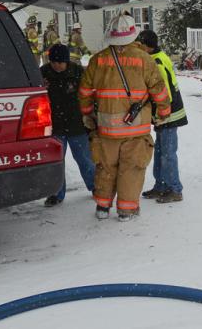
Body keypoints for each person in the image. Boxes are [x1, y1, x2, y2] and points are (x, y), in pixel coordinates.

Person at [78, 14, 171, 222]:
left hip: (106, 127)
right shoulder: (144, 59)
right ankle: (127, 210)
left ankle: (102, 207)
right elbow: (159, 89)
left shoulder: (98, 60)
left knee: (106, 167)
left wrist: (87, 115)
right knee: (132, 169)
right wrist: (163, 113)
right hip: (135, 129)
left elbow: (84, 92)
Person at [136, 30, 188, 203]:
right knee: (160, 152)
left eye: (140, 44)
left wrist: (161, 113)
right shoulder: (154, 57)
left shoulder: (157, 62)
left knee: (167, 153)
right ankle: (161, 186)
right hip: (163, 114)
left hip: (168, 115)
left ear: (148, 46)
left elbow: (164, 92)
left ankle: (174, 189)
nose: (138, 47)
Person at [41, 44, 96, 206]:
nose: (57, 65)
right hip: (54, 126)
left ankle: (95, 187)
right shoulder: (43, 73)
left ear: (66, 61)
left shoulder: (78, 72)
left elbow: (90, 94)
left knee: (85, 159)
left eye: (60, 62)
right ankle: (55, 193)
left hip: (76, 124)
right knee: (56, 162)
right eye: (54, 62)